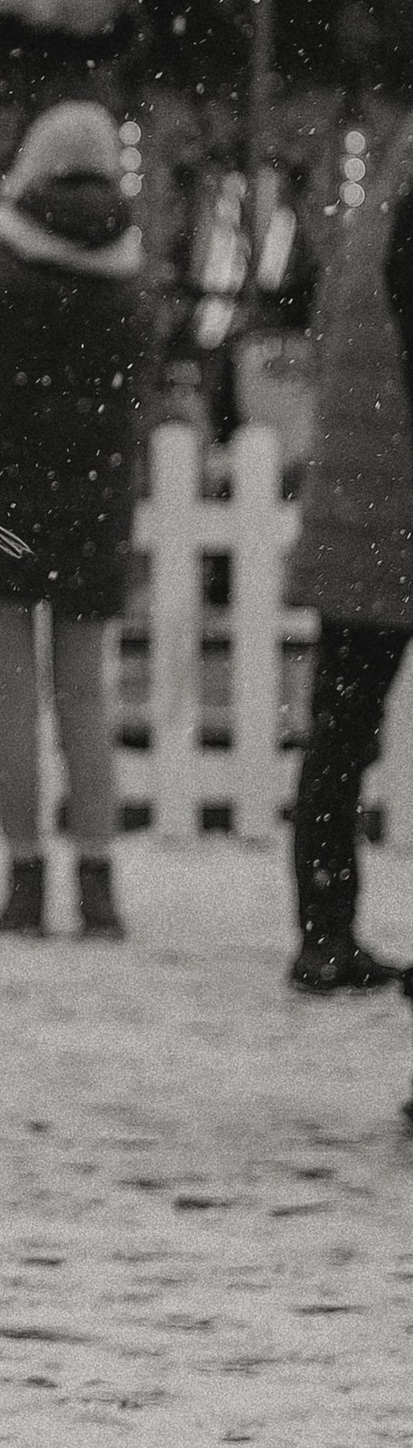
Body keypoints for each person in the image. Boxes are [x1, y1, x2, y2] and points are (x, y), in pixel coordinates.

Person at [0, 102, 148, 943]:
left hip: (2, 503)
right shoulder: (131, 275)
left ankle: (23, 878)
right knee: (85, 697)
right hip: (97, 508)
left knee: (10, 698)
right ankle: (98, 883)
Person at [284, 112, 413, 993]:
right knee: (343, 737)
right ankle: (327, 933)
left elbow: (331, 340)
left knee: (339, 738)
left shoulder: (372, 217)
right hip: (395, 508)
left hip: (355, 509)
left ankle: (323, 929)